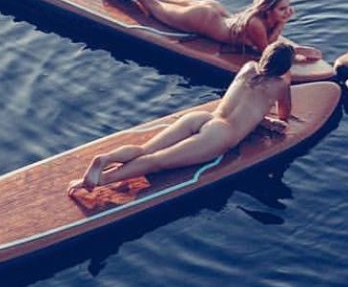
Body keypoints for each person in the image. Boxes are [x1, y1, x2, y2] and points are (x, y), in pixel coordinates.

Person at [68, 41, 296, 195]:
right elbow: (284, 113)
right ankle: (100, 180)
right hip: (221, 135)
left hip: (202, 118)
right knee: (156, 162)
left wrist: (263, 120)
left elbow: (245, 104)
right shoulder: (281, 84)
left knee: (144, 150)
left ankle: (105, 159)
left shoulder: (248, 68)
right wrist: (273, 121)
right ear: (285, 67)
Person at [91, 0, 323, 62]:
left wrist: (281, 22)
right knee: (154, 7)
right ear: (268, 9)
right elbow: (266, 52)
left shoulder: (261, 19)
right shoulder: (256, 24)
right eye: (282, 9)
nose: (288, 11)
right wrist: (298, 49)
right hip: (203, 19)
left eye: (288, 6)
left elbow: (268, 42)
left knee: (164, 0)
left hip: (212, 12)